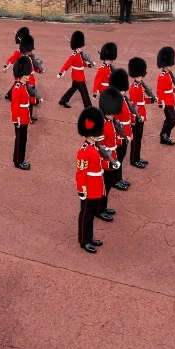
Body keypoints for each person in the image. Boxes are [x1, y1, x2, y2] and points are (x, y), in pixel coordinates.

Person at [76, 107, 106, 253]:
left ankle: (90, 236)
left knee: (91, 214)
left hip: (96, 184)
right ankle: (83, 239)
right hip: (89, 186)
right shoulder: (84, 151)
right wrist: (82, 190)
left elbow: (100, 164)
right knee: (86, 215)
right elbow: (81, 172)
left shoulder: (95, 147)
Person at [58, 31, 93, 109]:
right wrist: (61, 72)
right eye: (81, 47)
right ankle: (88, 107)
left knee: (73, 88)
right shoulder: (73, 56)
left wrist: (88, 65)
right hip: (77, 76)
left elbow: (82, 63)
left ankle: (63, 100)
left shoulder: (80, 54)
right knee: (84, 92)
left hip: (79, 75)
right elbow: (67, 64)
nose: (82, 48)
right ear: (77, 47)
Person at [10, 57, 33, 170]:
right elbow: (14, 106)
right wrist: (16, 120)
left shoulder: (24, 86)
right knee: (20, 139)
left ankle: (20, 159)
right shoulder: (17, 88)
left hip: (25, 116)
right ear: (21, 75)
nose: (28, 76)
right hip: (20, 118)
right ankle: (18, 161)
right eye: (26, 75)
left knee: (23, 139)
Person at [156, 47, 175, 148]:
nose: (171, 66)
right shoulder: (162, 76)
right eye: (169, 64)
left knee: (169, 119)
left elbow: (170, 88)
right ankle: (164, 134)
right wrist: (160, 102)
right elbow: (160, 91)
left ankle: (165, 137)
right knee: (173, 119)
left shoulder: (169, 74)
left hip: (170, 100)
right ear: (164, 65)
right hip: (166, 101)